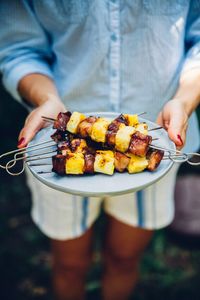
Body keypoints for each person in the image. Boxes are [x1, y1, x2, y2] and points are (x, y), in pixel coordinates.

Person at [0, 1, 200, 300]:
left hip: (158, 137)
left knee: (125, 257)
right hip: (56, 138)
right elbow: (17, 49)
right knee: (69, 264)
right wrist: (45, 99)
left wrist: (184, 100)